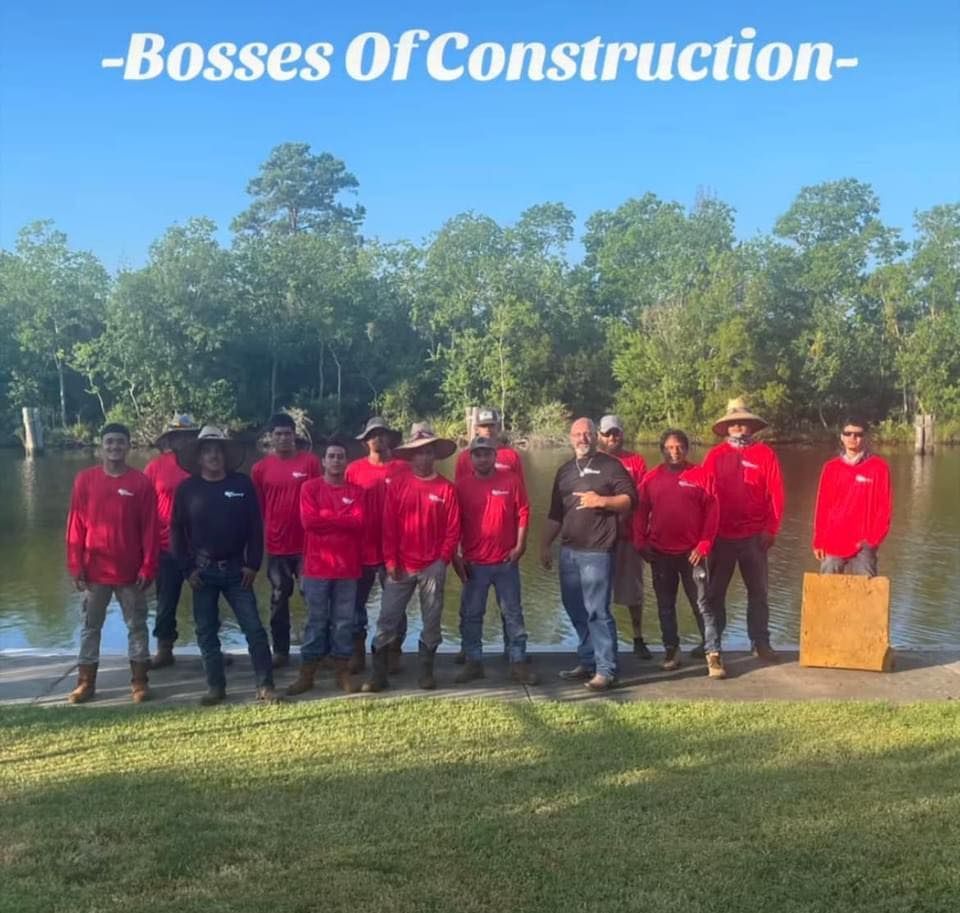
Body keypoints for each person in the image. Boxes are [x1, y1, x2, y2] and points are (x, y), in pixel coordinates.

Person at [172, 425, 279, 704]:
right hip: (202, 571)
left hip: (237, 570)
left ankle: (265, 685)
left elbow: (256, 527)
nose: (213, 456)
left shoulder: (241, 485)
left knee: (254, 629)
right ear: (198, 457)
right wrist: (187, 569)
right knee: (206, 631)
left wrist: (253, 564)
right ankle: (216, 687)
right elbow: (176, 532)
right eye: (207, 451)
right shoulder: (187, 490)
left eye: (218, 451)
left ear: (225, 455)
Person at [65, 423, 159, 704]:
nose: (114, 447)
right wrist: (75, 564)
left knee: (137, 626)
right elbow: (75, 526)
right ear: (101, 445)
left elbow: (150, 530)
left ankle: (140, 681)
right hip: (95, 572)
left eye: (120, 442)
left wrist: (148, 566)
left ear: (128, 446)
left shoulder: (140, 482)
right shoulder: (85, 480)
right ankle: (86, 682)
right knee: (90, 627)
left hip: (131, 573)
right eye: (109, 442)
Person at [363, 423, 460, 692]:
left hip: (432, 566)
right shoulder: (398, 485)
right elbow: (389, 526)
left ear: (435, 456)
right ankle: (378, 674)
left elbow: (453, 530)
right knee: (387, 618)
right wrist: (391, 560)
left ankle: (426, 672)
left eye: (429, 452)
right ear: (411, 456)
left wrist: (442, 560)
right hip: (401, 565)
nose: (424, 457)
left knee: (432, 619)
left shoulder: (446, 489)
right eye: (419, 452)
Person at [540, 417, 636, 691]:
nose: (582, 438)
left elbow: (631, 499)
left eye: (587, 434)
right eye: (577, 434)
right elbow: (555, 514)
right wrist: (545, 544)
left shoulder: (611, 466)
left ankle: (606, 669)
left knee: (597, 611)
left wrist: (602, 500)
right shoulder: (565, 471)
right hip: (569, 551)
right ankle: (588, 660)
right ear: (570, 438)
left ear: (595, 437)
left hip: (598, 551)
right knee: (574, 608)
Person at [635, 430, 725, 679]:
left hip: (692, 554)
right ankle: (671, 651)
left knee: (702, 604)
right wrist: (640, 542)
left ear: (687, 449)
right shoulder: (651, 479)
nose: (674, 452)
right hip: (661, 553)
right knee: (665, 606)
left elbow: (712, 513)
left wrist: (704, 544)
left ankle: (713, 655)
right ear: (662, 449)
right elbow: (640, 513)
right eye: (669, 447)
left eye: (679, 447)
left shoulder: (701, 476)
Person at [701, 398, 784, 663]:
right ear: (726, 428)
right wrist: (705, 534)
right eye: (734, 424)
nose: (739, 428)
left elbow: (777, 495)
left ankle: (760, 642)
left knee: (758, 593)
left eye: (744, 424)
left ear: (751, 427)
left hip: (754, 537)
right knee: (715, 594)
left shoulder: (765, 454)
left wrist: (771, 528)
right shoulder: (715, 456)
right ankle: (712, 642)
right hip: (721, 537)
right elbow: (704, 496)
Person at [453, 436, 537, 685]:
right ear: (471, 458)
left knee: (512, 613)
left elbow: (523, 511)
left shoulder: (510, 480)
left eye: (487, 453)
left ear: (494, 455)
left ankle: (517, 661)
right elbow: (454, 522)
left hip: (505, 562)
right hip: (474, 563)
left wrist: (521, 545)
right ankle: (473, 662)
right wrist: (456, 555)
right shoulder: (462, 486)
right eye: (477, 454)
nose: (482, 458)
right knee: (471, 615)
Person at [286, 439, 365, 696]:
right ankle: (307, 673)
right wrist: (341, 515)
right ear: (323, 461)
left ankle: (342, 671)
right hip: (316, 568)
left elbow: (358, 522)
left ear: (346, 461)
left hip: (347, 569)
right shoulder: (309, 488)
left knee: (343, 622)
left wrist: (326, 516)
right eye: (331, 456)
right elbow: (309, 522)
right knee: (315, 622)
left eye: (340, 456)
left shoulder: (357, 492)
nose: (336, 460)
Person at [251, 413, 321, 667]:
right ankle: (280, 650)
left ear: (294, 436)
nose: (283, 438)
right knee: (279, 597)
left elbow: (320, 499)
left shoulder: (310, 463)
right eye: (278, 434)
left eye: (287, 434)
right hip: (277, 546)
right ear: (271, 437)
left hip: (307, 545)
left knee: (311, 594)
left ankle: (316, 649)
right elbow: (258, 508)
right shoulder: (260, 469)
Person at [344, 416, 410, 674]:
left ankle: (393, 650)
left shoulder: (403, 468)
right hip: (361, 550)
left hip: (394, 551)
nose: (377, 438)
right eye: (372, 434)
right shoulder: (353, 470)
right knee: (355, 605)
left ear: (390, 438)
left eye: (382, 433)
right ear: (365, 441)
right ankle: (357, 652)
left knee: (396, 605)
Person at [143, 414, 199, 669]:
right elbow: (143, 508)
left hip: (200, 546)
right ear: (170, 438)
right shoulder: (155, 467)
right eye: (179, 435)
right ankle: (165, 649)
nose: (184, 439)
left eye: (189, 435)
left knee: (206, 600)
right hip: (165, 547)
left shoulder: (203, 463)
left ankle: (211, 649)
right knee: (165, 602)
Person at [596, 414, 651, 659]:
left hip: (628, 536)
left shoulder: (636, 461)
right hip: (598, 538)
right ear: (599, 435)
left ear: (622, 434)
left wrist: (643, 534)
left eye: (615, 433)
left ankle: (638, 638)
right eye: (607, 434)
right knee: (597, 592)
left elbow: (643, 500)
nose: (612, 438)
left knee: (634, 591)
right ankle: (600, 643)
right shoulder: (591, 461)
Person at [813, 416, 893, 576]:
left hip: (864, 546)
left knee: (866, 596)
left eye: (858, 434)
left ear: (866, 437)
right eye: (848, 433)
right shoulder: (831, 468)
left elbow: (885, 509)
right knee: (827, 594)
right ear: (841, 437)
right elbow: (823, 506)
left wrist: (872, 540)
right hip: (833, 543)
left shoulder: (879, 468)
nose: (852, 438)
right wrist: (818, 540)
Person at [454, 407, 526, 486]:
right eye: (484, 426)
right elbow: (458, 488)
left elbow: (519, 487)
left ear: (498, 427)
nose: (488, 429)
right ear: (476, 429)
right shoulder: (464, 457)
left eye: (491, 425)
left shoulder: (512, 455)